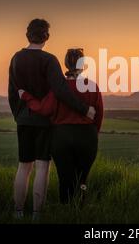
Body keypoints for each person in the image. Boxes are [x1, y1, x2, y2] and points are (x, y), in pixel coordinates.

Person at [8, 19, 96, 220]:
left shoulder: (16, 58)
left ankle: (18, 212)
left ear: (27, 34)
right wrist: (84, 109)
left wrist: (18, 115)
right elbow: (61, 90)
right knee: (42, 167)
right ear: (46, 37)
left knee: (23, 166)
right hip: (45, 121)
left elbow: (12, 92)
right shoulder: (49, 60)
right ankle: (37, 215)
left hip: (24, 120)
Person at [18, 48, 103, 204]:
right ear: (83, 64)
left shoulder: (58, 88)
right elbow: (99, 115)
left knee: (65, 178)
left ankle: (65, 210)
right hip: (87, 137)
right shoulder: (92, 86)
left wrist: (26, 96)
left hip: (61, 137)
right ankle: (81, 207)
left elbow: (44, 109)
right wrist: (92, 134)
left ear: (65, 64)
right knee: (82, 178)